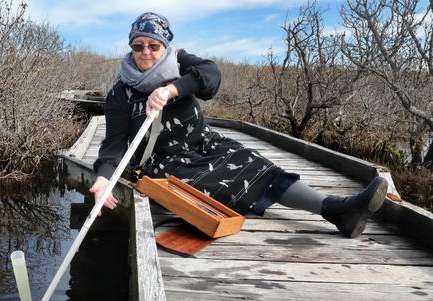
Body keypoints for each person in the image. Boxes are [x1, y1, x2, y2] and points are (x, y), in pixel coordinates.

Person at [90, 12, 388, 238]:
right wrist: (103, 179)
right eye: (138, 46)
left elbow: (211, 75)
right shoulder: (120, 92)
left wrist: (170, 90)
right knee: (208, 184)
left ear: (164, 46)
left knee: (259, 166)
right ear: (130, 47)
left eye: (153, 46)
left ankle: (335, 209)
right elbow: (114, 144)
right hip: (164, 162)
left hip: (205, 143)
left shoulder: (179, 62)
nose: (145, 53)